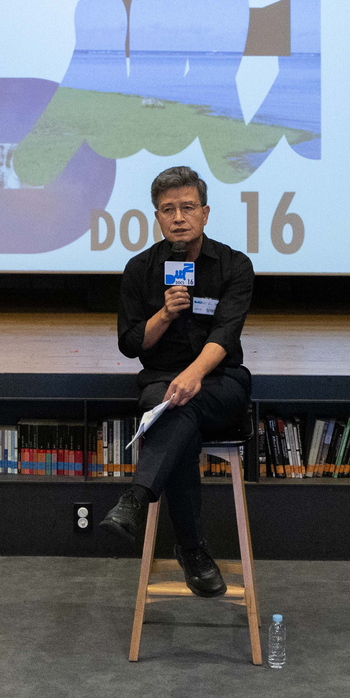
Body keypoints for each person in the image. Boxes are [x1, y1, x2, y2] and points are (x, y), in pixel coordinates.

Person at [97, 164, 255, 596]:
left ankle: (136, 498)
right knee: (174, 414)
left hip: (220, 381)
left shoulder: (234, 265)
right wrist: (165, 313)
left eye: (188, 207)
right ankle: (191, 550)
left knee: (177, 406)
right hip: (161, 382)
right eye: (168, 209)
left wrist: (193, 375)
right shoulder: (140, 269)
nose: (179, 217)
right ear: (157, 218)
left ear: (205, 213)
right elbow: (131, 344)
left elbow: (226, 334)